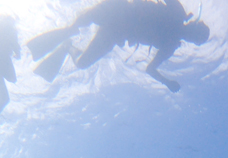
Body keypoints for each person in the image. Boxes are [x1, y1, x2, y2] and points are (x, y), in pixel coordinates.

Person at [27, 0, 210, 92]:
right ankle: (68, 33)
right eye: (197, 32)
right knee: (77, 24)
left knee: (82, 63)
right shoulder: (178, 12)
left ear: (194, 42)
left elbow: (150, 69)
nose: (193, 35)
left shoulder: (170, 46)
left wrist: (167, 82)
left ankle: (67, 47)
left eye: (197, 39)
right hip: (120, 10)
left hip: (117, 33)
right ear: (195, 24)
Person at [0, 17, 20, 112]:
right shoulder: (10, 29)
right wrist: (18, 53)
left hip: (3, 59)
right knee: (4, 99)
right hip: (3, 58)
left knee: (4, 99)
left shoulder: (7, 29)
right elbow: (14, 42)